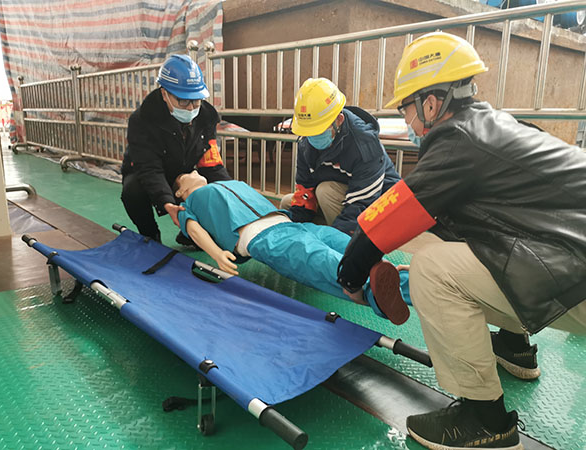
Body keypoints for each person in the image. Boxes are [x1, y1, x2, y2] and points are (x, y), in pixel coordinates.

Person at [336, 32, 586, 450]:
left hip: (575, 271)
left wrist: (350, 273)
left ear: (431, 104)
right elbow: (465, 224)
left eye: (406, 108)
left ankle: (485, 421)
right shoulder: (495, 127)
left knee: (432, 271)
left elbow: (388, 219)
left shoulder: (459, 141)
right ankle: (514, 346)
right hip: (568, 256)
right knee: (451, 247)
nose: (408, 121)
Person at [174, 171, 411, 325]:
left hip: (291, 224)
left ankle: (411, 283)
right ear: (179, 191)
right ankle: (375, 294)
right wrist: (217, 254)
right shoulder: (188, 204)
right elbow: (193, 230)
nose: (194, 171)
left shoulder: (229, 183)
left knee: (351, 247)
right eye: (187, 174)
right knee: (321, 259)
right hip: (264, 238)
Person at [121, 54, 231, 243]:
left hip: (184, 172)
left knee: (212, 189)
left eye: (196, 100)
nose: (191, 107)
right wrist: (167, 203)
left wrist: (232, 194)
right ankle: (150, 235)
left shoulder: (206, 117)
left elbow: (212, 164)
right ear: (164, 94)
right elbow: (150, 169)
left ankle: (190, 235)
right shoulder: (142, 120)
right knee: (132, 191)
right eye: (183, 101)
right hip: (149, 173)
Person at [280, 78, 401, 234]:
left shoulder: (364, 144)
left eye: (319, 129)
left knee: (325, 192)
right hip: (345, 199)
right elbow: (305, 190)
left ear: (339, 120)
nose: (313, 137)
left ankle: (347, 241)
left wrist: (335, 239)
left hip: (378, 208)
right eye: (309, 131)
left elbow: (361, 204)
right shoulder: (306, 143)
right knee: (287, 203)